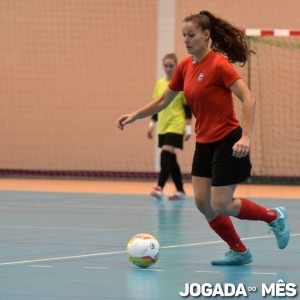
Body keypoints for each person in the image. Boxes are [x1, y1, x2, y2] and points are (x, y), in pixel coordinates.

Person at [117, 10, 290, 265]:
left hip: (228, 141)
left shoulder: (219, 64)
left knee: (221, 204)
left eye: (191, 35)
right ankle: (239, 251)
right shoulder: (185, 67)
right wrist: (136, 115)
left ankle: (273, 217)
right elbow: (164, 100)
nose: (186, 40)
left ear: (206, 35)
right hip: (204, 143)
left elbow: (249, 98)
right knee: (202, 203)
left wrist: (246, 137)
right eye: (183, 35)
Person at [147, 53, 192, 201]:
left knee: (165, 153)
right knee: (171, 159)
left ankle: (159, 187)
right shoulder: (160, 84)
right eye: (165, 65)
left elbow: (187, 107)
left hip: (176, 124)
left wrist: (188, 128)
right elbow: (157, 105)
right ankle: (180, 190)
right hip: (163, 125)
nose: (168, 68)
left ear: (176, 66)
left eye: (171, 65)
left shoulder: (181, 83)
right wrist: (151, 124)